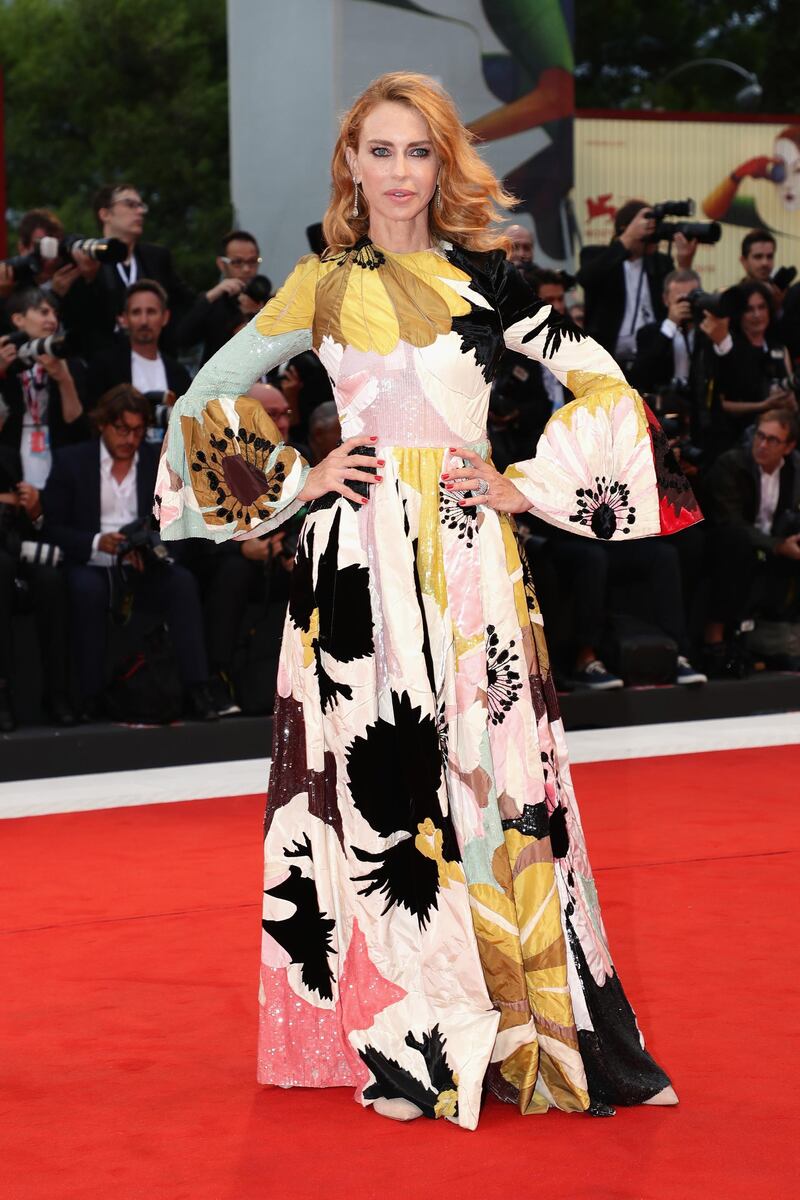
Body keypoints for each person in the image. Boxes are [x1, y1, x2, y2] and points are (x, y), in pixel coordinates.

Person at [156, 72, 695, 1129]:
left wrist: (523, 484)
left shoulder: (487, 281)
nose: (399, 172)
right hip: (355, 564)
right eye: (380, 151)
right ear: (350, 166)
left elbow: (604, 384)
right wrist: (299, 477)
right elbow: (207, 393)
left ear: (441, 165)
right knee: (381, 790)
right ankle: (412, 1038)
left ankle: (503, 1016)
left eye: (417, 152)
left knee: (484, 776)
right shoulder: (315, 282)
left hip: (469, 556)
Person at [42, 384, 217, 721]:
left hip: (143, 563)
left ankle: (198, 689)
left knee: (181, 583)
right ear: (102, 425)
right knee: (86, 590)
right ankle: (89, 697)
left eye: (138, 430)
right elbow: (52, 526)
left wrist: (154, 549)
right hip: (92, 561)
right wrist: (96, 541)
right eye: (122, 429)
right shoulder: (72, 462)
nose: (130, 438)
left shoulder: (156, 460)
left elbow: (178, 515)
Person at [703, 407, 800, 673]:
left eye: (773, 440)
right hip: (726, 543)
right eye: (760, 436)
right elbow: (729, 521)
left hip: (776, 541)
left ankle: (784, 644)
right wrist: (778, 546)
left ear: (789, 447)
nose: (763, 445)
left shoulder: (795, 469)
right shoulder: (731, 464)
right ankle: (715, 639)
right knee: (736, 543)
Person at [60, 183, 194, 356]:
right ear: (105, 214)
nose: (140, 211)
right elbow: (79, 321)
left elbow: (186, 304)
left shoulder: (156, 257)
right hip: (106, 365)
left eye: (141, 206)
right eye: (130, 204)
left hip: (155, 359)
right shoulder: (87, 258)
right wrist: (89, 279)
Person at [577, 199, 696, 367]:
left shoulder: (661, 262)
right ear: (624, 228)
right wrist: (628, 237)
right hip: (607, 361)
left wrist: (684, 263)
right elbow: (586, 278)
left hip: (652, 359)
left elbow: (676, 298)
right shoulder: (595, 255)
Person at [0, 288, 89, 485]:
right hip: (10, 456)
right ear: (18, 320)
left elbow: (78, 426)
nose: (52, 320)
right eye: (43, 312)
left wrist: (64, 379)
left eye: (55, 315)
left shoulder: (70, 362)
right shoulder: (4, 357)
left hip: (56, 454)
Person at [714, 281, 797, 453]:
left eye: (762, 307)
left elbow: (792, 403)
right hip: (737, 441)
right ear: (739, 314)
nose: (757, 314)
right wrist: (763, 405)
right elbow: (721, 404)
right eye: (749, 309)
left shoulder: (779, 349)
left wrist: (791, 404)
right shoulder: (729, 349)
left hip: (778, 441)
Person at [86, 280, 191, 410]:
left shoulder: (179, 374)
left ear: (165, 317)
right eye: (136, 312)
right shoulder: (104, 368)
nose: (144, 321)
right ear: (124, 319)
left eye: (151, 312)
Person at [175, 230, 267, 364]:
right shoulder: (213, 302)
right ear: (221, 264)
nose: (246, 269)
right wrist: (211, 296)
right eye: (237, 262)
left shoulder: (270, 302)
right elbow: (182, 339)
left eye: (252, 261)